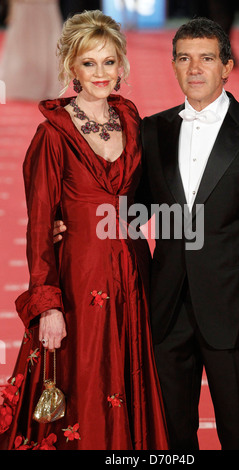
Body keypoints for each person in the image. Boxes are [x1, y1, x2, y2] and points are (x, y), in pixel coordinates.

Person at [0, 10, 168, 450]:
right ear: (70, 67)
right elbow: (40, 229)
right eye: (89, 63)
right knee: (79, 388)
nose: (100, 73)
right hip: (78, 282)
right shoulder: (51, 134)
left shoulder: (133, 123)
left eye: (109, 62)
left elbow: (150, 197)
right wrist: (48, 305)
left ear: (123, 66)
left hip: (134, 277)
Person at [136, 18, 239, 450]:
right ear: (172, 66)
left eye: (206, 58)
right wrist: (73, 221)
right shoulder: (152, 130)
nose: (195, 68)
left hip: (238, 312)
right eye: (184, 58)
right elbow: (133, 210)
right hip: (167, 313)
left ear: (226, 67)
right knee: (171, 439)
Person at [0, 0, 62, 101]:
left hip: (45, 6)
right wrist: (11, 9)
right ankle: (22, 84)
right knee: (22, 45)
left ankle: (43, 85)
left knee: (44, 44)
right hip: (23, 6)